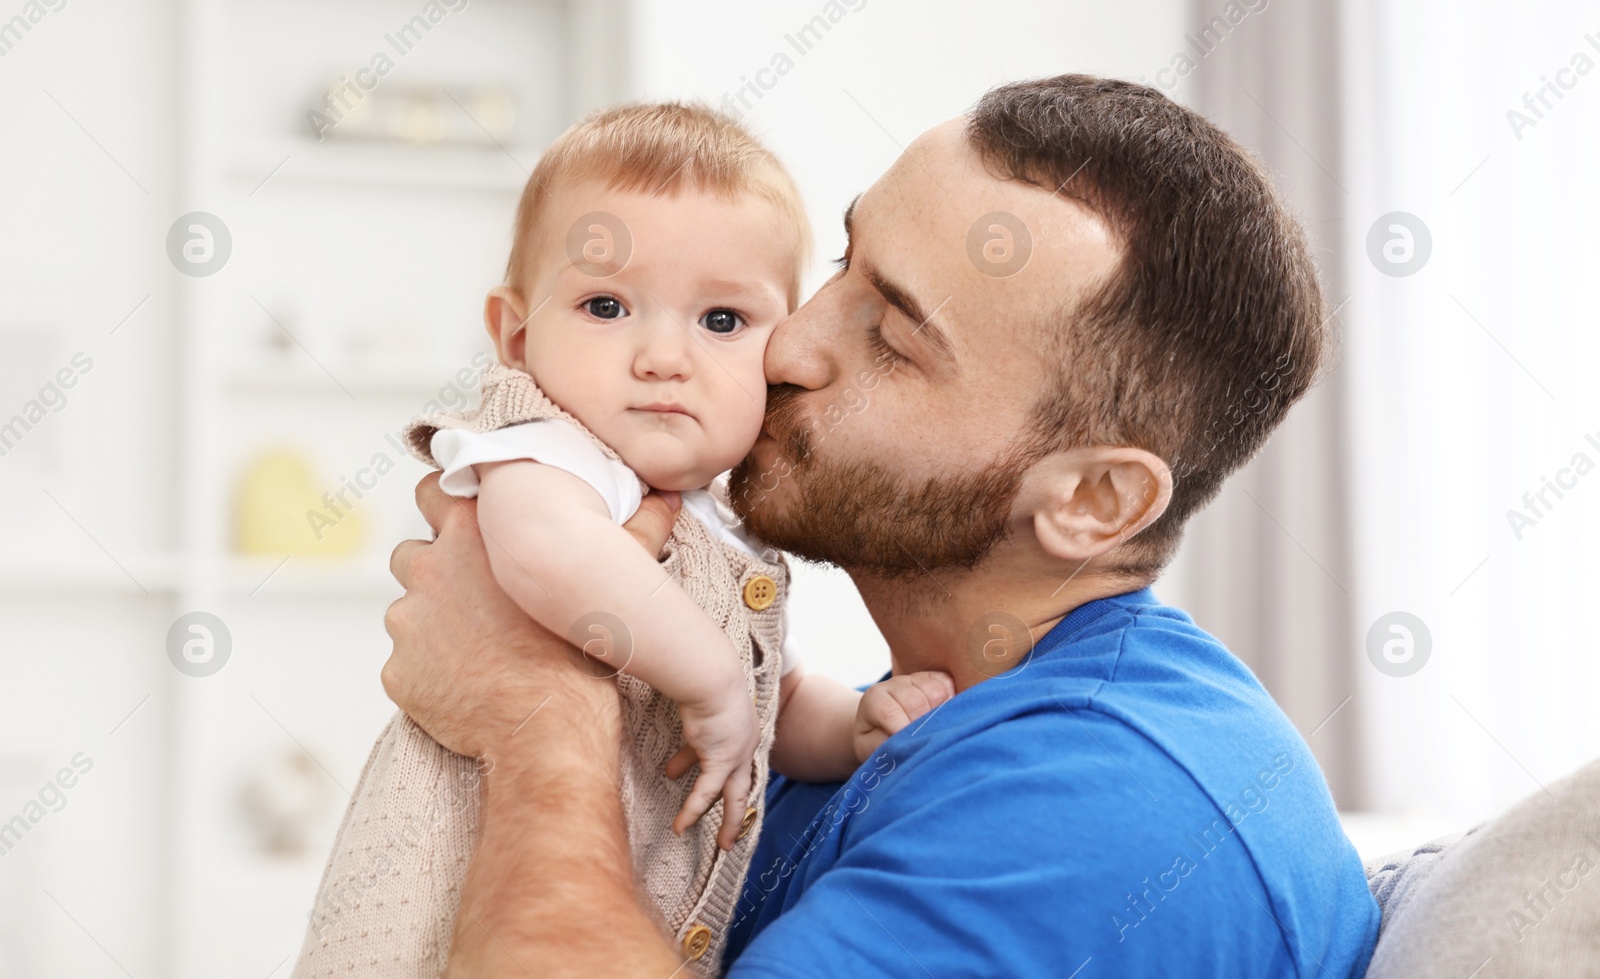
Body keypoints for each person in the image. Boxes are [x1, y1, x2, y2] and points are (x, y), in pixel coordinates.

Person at [379, 75, 1383, 977]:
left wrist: (531, 712)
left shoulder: (1108, 813)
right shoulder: (914, 727)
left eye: (895, 338)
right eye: (841, 264)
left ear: (1092, 501)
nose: (790, 346)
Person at [293, 103, 954, 979]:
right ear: (519, 336)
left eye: (721, 320)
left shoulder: (719, 521)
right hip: (438, 919)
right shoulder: (549, 448)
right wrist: (712, 680)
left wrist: (850, 727)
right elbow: (546, 551)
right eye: (607, 305)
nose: (662, 356)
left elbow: (773, 702)